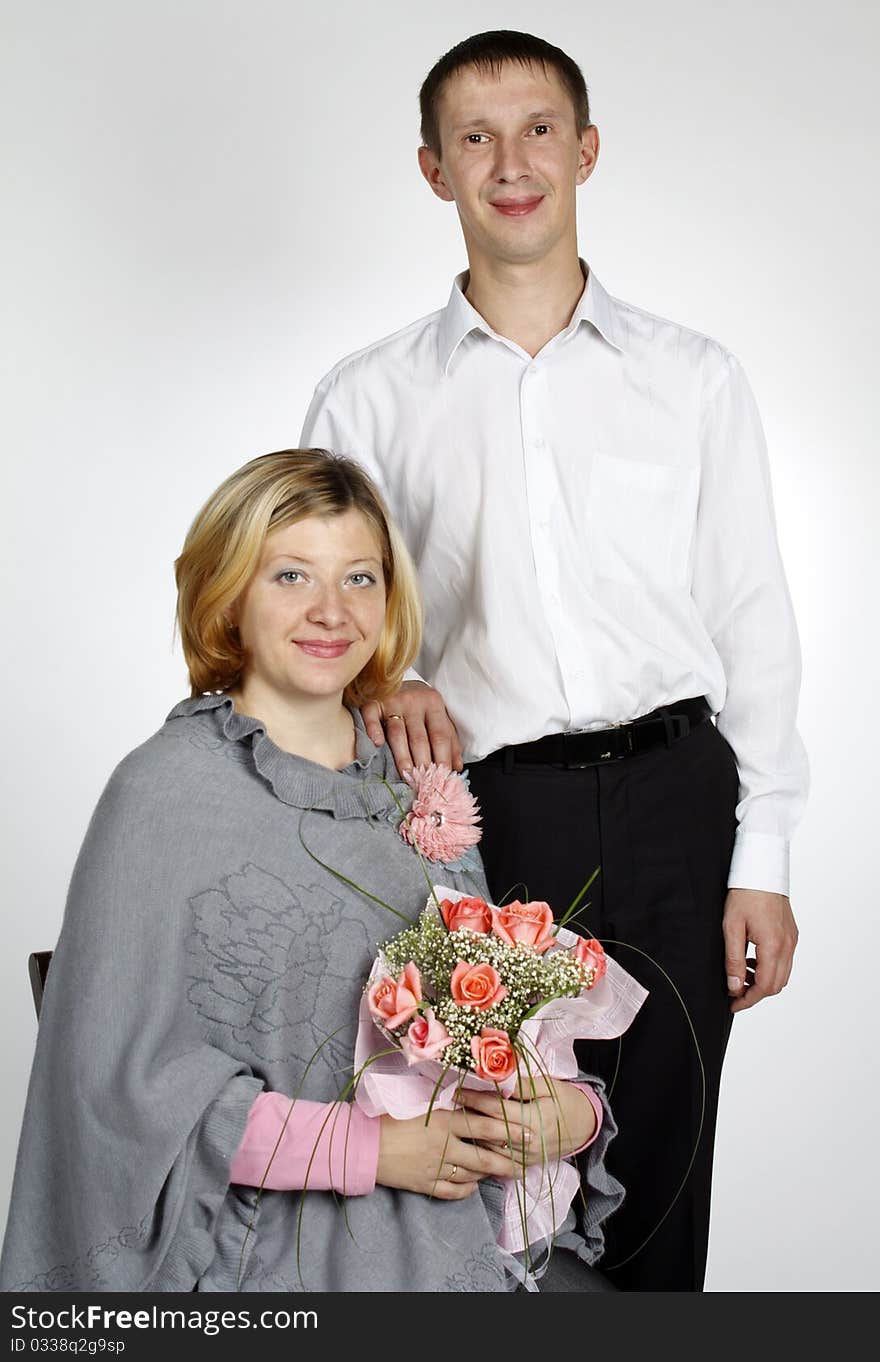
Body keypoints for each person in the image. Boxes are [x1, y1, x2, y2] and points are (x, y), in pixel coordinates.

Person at [300, 30, 809, 1291]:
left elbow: (754, 623)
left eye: (537, 131)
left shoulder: (693, 380)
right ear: (433, 170)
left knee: (663, 1175)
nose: (509, 162)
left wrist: (765, 857)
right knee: (502, 1170)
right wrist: (383, 679)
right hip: (488, 822)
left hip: (679, 806)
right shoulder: (367, 401)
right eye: (475, 137)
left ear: (585, 151)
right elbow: (303, 614)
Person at [0, 448, 623, 1293]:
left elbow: (513, 1023)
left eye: (360, 579)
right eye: (291, 576)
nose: (331, 611)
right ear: (228, 594)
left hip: (461, 1231)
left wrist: (566, 1115)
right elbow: (116, 1091)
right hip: (270, 1252)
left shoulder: (418, 781)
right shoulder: (163, 793)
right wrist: (373, 1149)